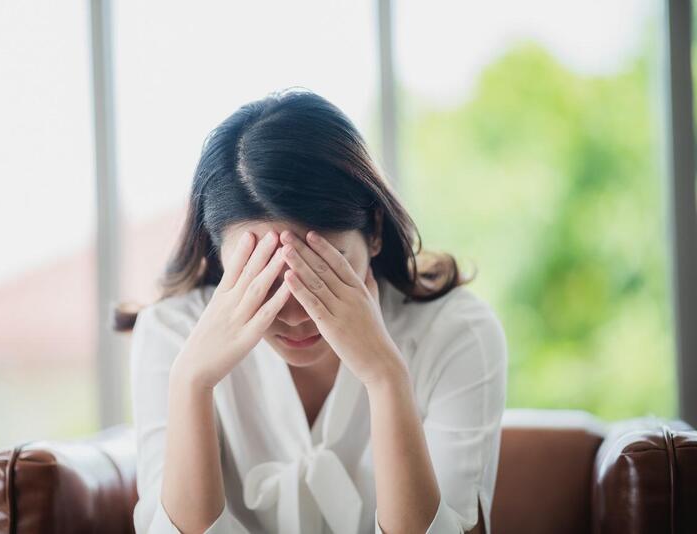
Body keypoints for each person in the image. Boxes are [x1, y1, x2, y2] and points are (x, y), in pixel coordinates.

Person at [114, 87, 508, 534]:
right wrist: (191, 382)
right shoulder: (169, 333)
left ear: (374, 232)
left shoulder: (457, 332)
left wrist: (386, 377)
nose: (299, 314)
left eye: (324, 271)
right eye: (263, 278)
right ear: (220, 257)